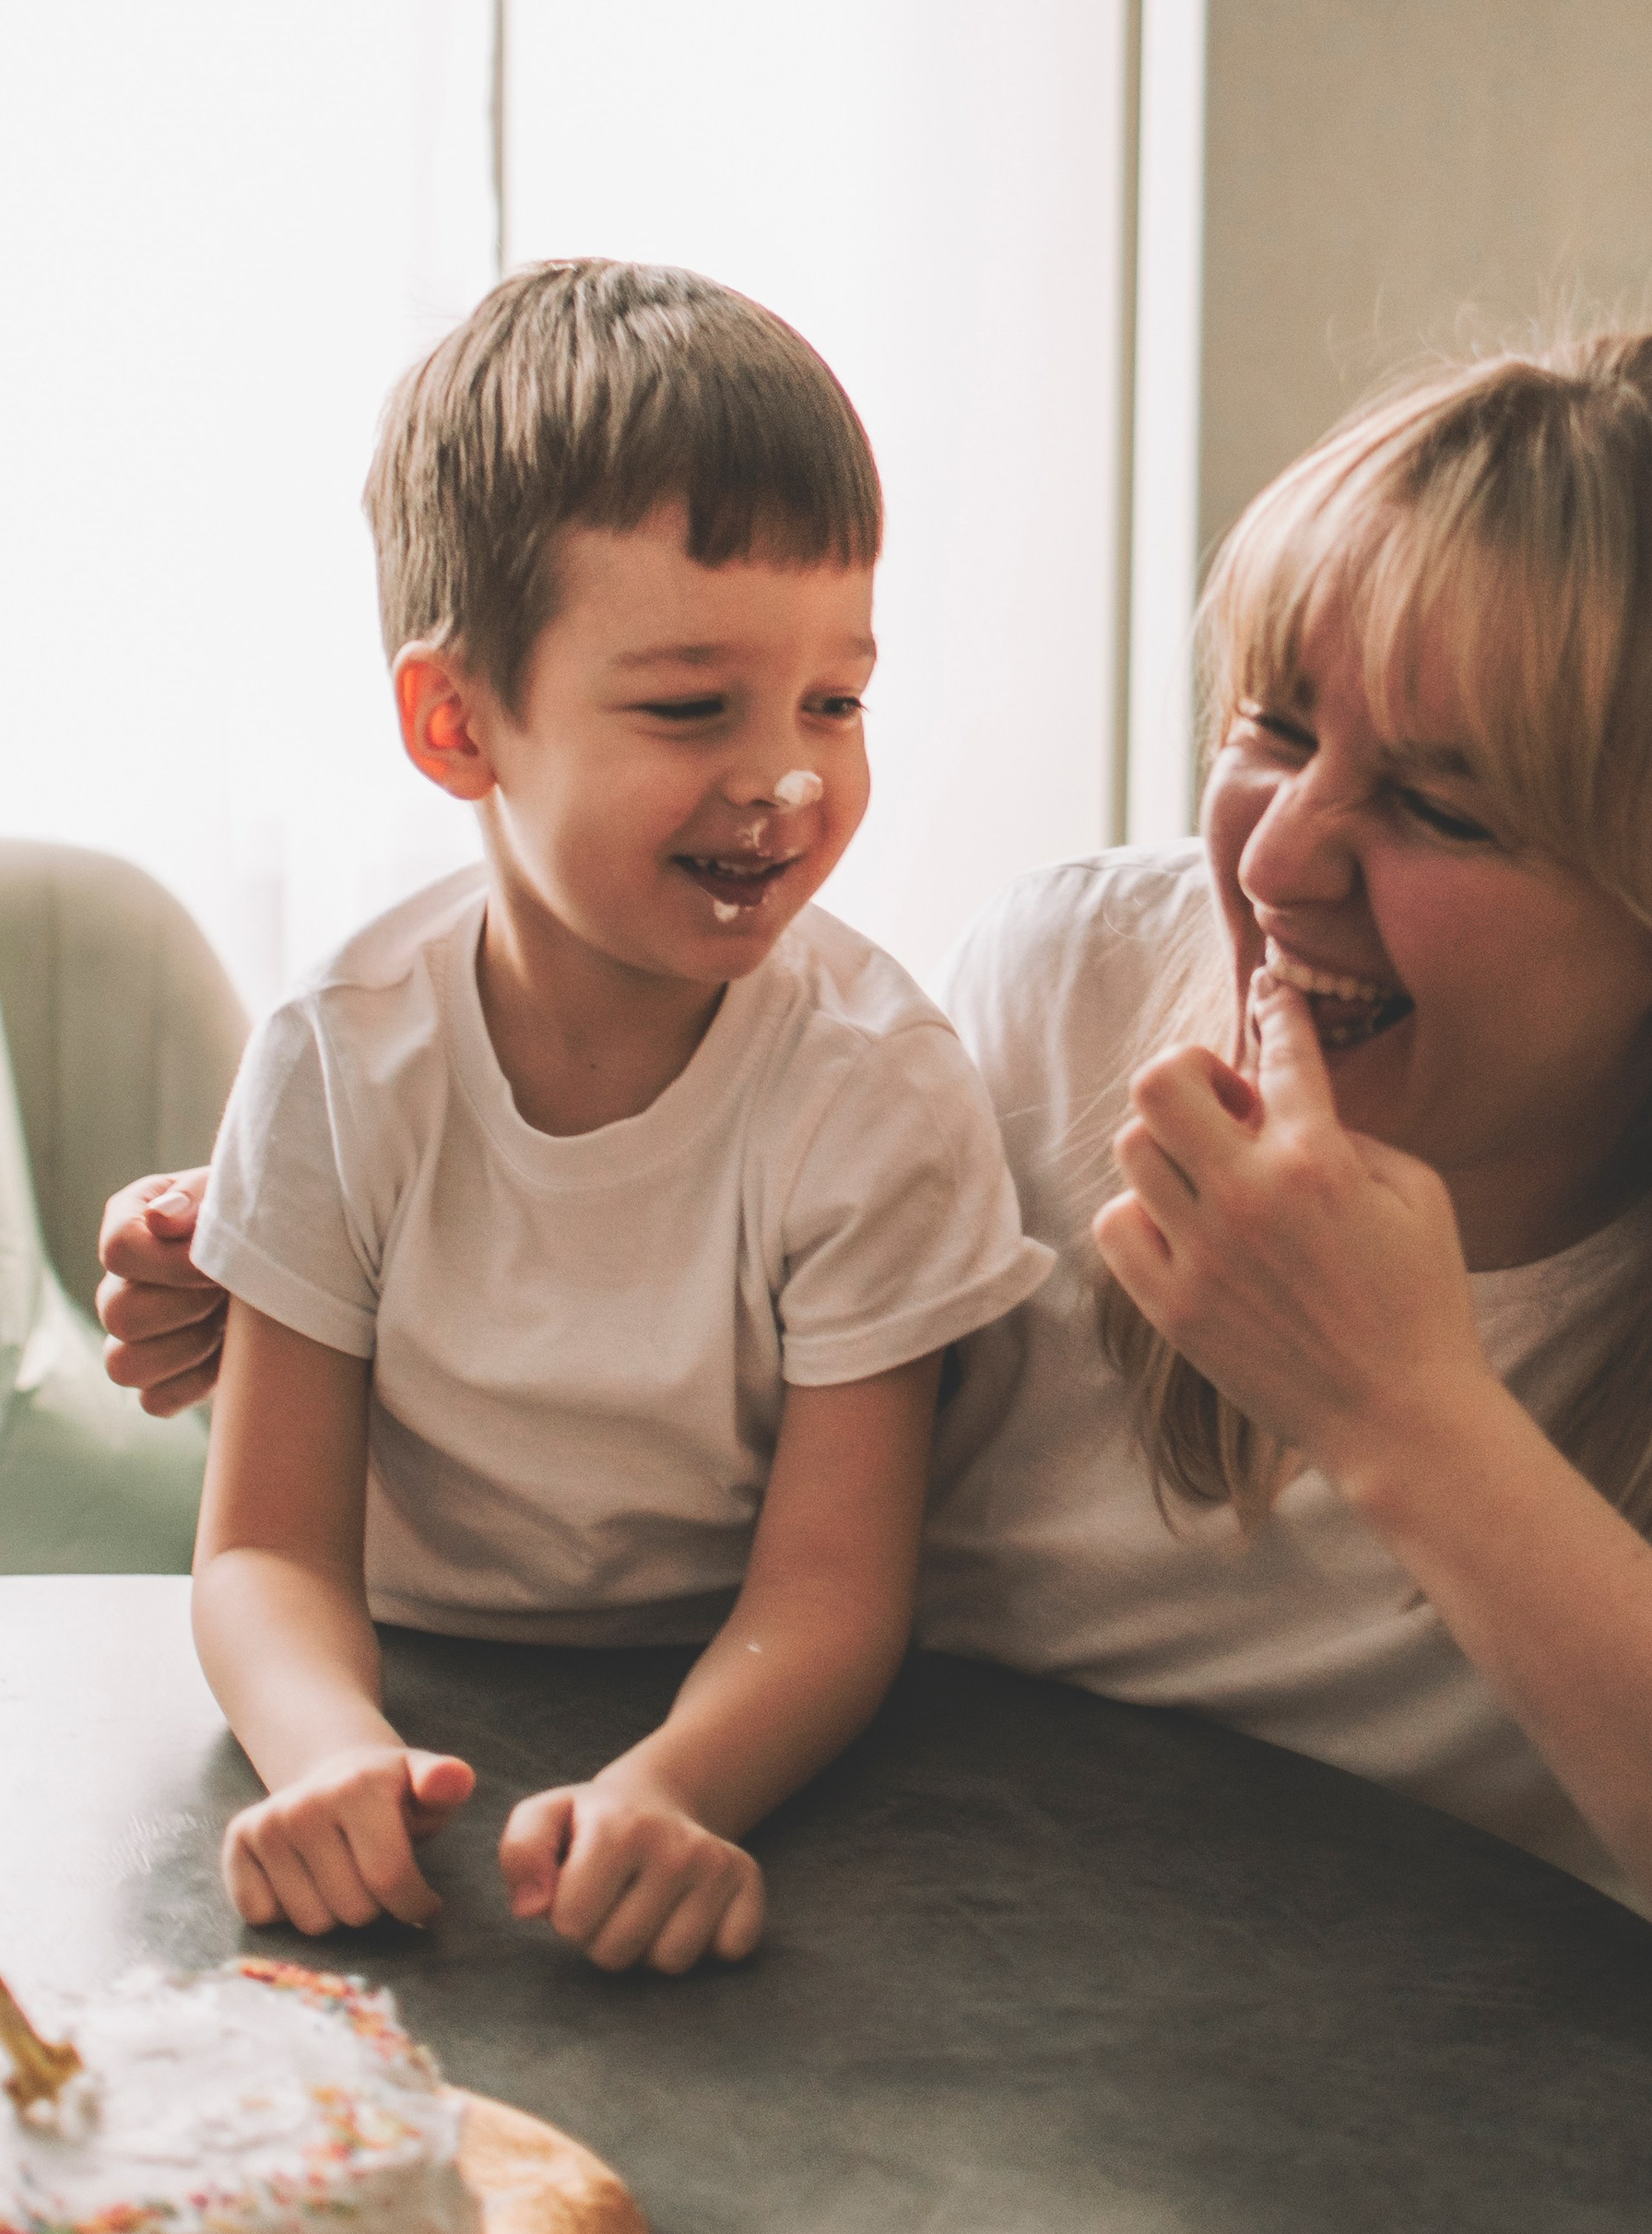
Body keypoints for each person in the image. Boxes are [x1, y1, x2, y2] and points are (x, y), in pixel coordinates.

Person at [102, 328, 1652, 2193]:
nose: (1271, 858)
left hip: (1394, 2188)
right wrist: (336, 1251)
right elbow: (729, 1339)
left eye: (1435, 803)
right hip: (852, 2063)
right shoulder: (1078, 975)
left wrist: (1415, 1421)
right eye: (1275, 725)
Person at [180, 260, 1048, 1980]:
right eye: (687, 707)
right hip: (400, 1691)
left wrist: (671, 1789)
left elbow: (832, 1593)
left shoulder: (875, 1090)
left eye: (837, 699)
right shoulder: (341, 1055)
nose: (788, 777)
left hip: (753, 1728)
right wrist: (329, 1755)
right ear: (459, 722)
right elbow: (265, 1543)